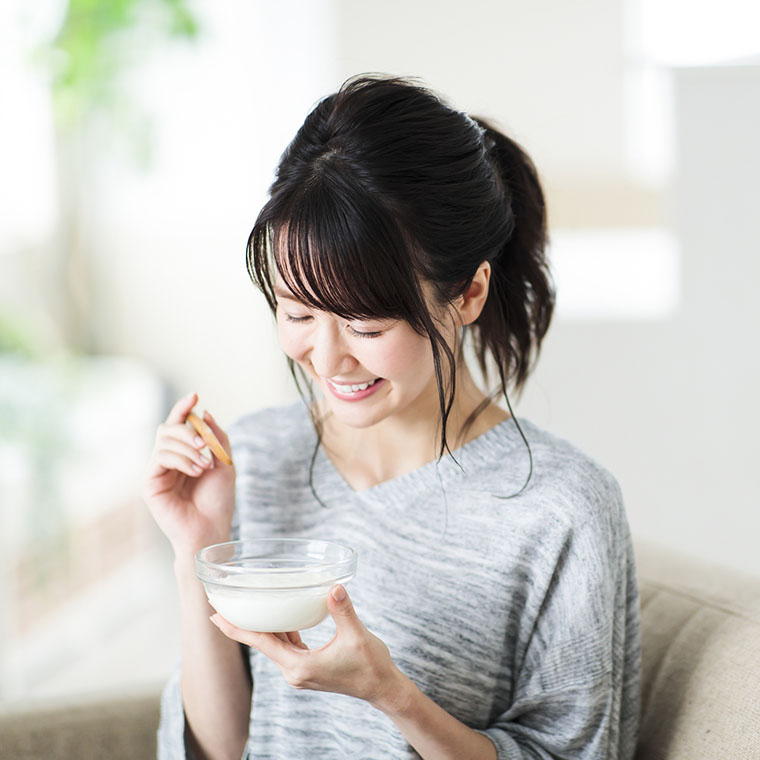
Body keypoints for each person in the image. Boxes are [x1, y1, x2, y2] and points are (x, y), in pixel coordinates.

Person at [144, 74, 641, 760]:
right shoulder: (250, 459)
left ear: (466, 292)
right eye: (297, 313)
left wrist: (392, 696)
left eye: (365, 324)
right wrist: (196, 551)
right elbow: (219, 751)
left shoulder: (560, 510)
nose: (327, 358)